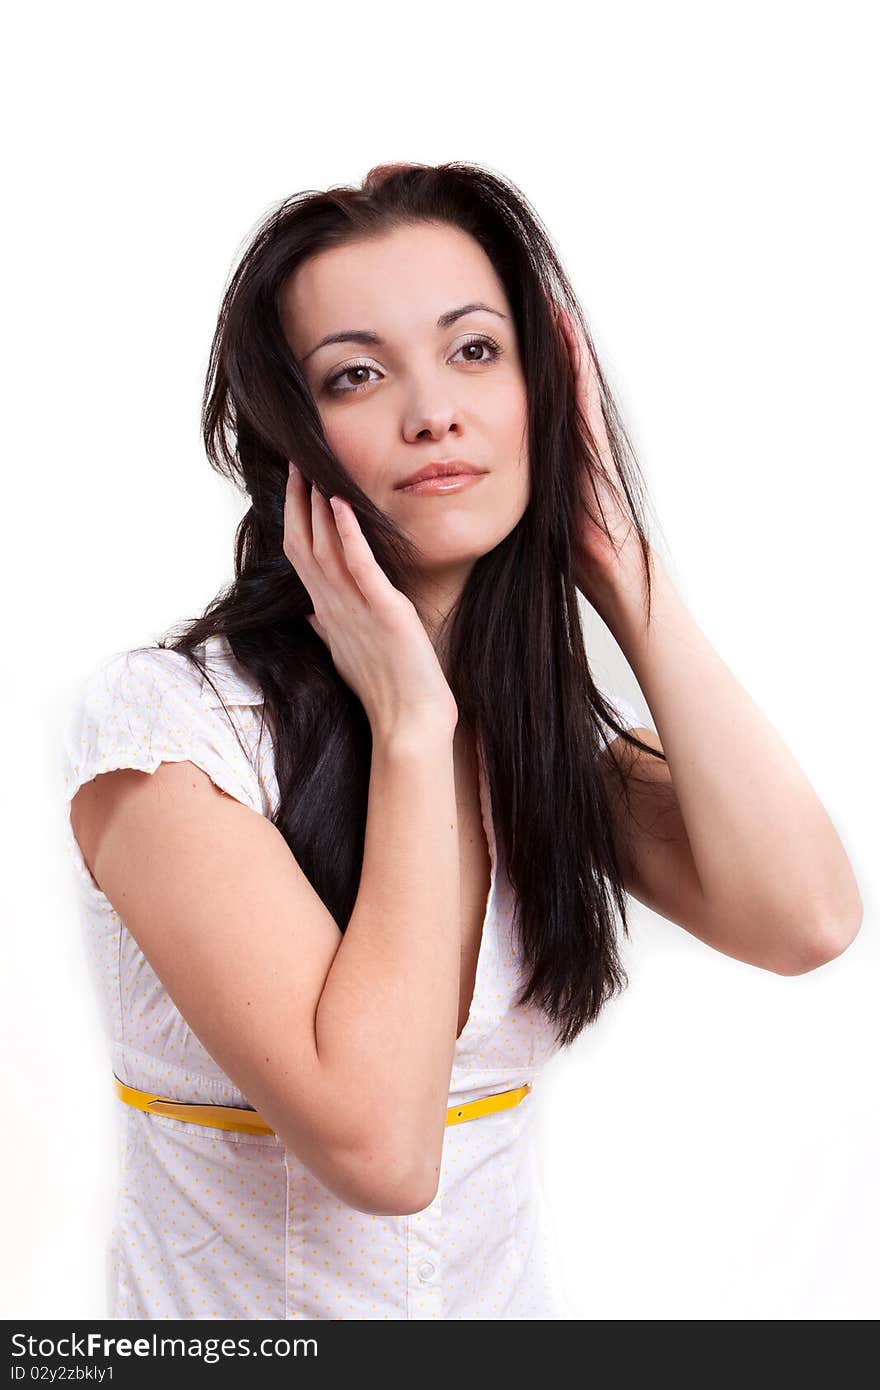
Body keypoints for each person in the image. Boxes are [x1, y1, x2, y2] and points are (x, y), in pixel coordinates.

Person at [60, 161, 862, 1321]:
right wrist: (410, 723)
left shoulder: (538, 734)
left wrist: (622, 568)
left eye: (475, 352)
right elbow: (383, 1152)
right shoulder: (175, 728)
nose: (432, 409)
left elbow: (805, 920)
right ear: (289, 440)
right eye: (356, 373)